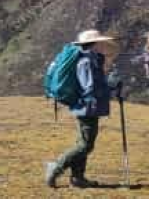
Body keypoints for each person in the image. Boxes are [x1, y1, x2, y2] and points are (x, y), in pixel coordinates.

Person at [46, 30, 121, 188]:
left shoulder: (89, 59)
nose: (102, 45)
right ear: (94, 44)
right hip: (87, 107)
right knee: (85, 145)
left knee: (82, 143)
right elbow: (90, 87)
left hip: (85, 106)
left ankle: (78, 178)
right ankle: (56, 167)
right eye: (99, 43)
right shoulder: (87, 62)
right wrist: (111, 85)